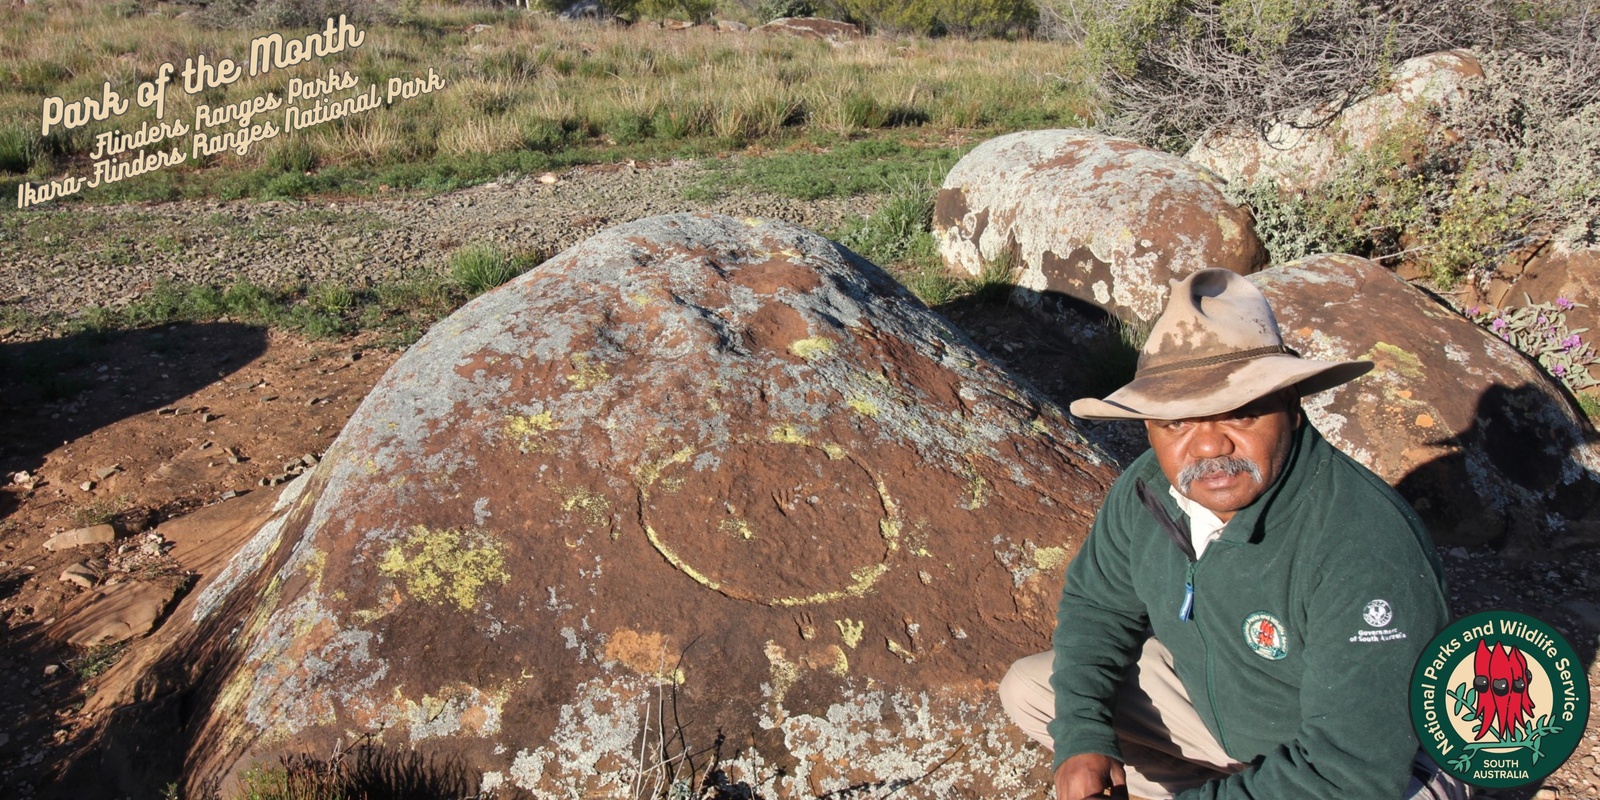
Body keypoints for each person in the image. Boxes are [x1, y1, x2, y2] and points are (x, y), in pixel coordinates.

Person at [998, 269, 1468, 800]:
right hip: (1228, 717)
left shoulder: (1363, 543)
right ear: (1147, 425)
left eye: (1240, 413)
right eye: (1177, 422)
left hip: (1381, 765)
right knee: (1032, 690)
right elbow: (1097, 607)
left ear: (1292, 407)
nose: (1207, 447)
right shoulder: (1147, 488)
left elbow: (1351, 769)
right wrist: (1082, 735)